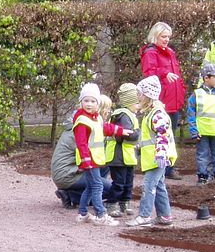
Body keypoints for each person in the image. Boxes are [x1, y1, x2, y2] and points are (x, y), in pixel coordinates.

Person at [73, 83, 131, 226]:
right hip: (89, 159)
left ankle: (83, 213)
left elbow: (104, 128)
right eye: (86, 100)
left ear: (97, 103)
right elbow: (81, 143)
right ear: (81, 102)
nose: (89, 104)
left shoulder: (95, 118)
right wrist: (86, 159)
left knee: (90, 186)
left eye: (93, 101)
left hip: (94, 158)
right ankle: (100, 214)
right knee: (98, 185)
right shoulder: (82, 120)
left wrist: (119, 130)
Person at [127, 75, 177, 227]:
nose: (138, 96)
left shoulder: (157, 114)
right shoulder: (152, 113)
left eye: (140, 93)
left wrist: (161, 153)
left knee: (149, 186)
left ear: (147, 96)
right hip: (154, 158)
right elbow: (151, 136)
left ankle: (144, 215)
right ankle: (165, 216)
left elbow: (163, 135)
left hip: (158, 158)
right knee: (159, 185)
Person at [140, 22, 186, 180]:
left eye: (168, 37)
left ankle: (168, 165)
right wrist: (164, 73)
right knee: (162, 133)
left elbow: (175, 74)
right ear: (156, 36)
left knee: (170, 133)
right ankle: (162, 167)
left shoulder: (170, 52)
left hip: (173, 99)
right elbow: (149, 74)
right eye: (163, 36)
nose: (166, 39)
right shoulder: (151, 52)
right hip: (161, 100)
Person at [51, 118, 113, 208]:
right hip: (68, 175)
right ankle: (72, 196)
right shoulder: (77, 133)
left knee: (105, 165)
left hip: (68, 172)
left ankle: (73, 193)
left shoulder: (71, 130)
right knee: (112, 190)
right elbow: (91, 155)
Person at [187, 63, 215, 185]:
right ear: (206, 78)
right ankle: (203, 176)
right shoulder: (197, 94)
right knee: (202, 155)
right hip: (202, 131)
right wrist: (193, 131)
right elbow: (191, 113)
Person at [103, 83, 141, 217]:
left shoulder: (129, 114)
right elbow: (126, 134)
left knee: (128, 182)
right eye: (137, 103)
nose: (139, 106)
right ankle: (111, 203)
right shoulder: (123, 115)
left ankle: (125, 202)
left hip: (127, 155)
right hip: (118, 156)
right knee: (119, 182)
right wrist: (137, 133)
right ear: (130, 102)